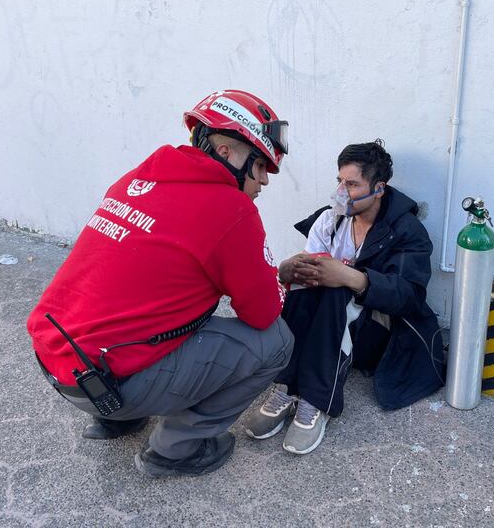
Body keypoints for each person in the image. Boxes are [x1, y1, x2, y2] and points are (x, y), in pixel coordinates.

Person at [27, 89, 294, 477]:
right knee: (276, 342)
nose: (264, 182)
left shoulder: (137, 179)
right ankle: (176, 449)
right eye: (261, 167)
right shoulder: (230, 209)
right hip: (115, 385)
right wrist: (279, 276)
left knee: (149, 301)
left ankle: (120, 420)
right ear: (227, 154)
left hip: (59, 366)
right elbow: (262, 312)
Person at [244, 139, 444, 454]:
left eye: (351, 184)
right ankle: (285, 388)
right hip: (333, 326)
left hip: (379, 335)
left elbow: (410, 296)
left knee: (336, 290)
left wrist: (350, 277)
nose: (341, 191)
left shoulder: (406, 231)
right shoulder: (330, 219)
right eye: (339, 180)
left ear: (378, 189)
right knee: (306, 281)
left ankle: (317, 402)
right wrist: (286, 270)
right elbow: (307, 275)